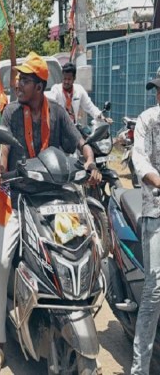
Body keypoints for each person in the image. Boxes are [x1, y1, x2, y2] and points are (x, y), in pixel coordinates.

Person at [0, 52, 101, 374]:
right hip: (19, 198)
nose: (18, 85)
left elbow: (82, 144)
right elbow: (3, 150)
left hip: (56, 199)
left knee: (81, 248)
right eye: (19, 79)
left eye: (24, 80)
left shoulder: (59, 114)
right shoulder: (9, 113)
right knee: (3, 263)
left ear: (39, 85)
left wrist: (89, 163)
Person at [130, 77, 160, 374]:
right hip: (156, 209)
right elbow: (140, 161)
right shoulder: (148, 120)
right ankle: (140, 369)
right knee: (156, 288)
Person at [45, 62, 112, 124]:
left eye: (69, 79)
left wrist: (102, 117)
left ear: (74, 78)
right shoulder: (56, 89)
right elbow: (50, 105)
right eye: (64, 79)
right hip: (59, 129)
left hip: (74, 129)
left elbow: (90, 107)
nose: (66, 82)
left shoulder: (79, 90)